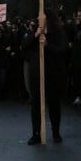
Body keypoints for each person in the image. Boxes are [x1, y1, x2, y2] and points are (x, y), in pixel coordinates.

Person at [24, 10, 69, 145]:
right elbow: (24, 47)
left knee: (54, 104)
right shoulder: (35, 32)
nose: (38, 17)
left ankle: (56, 132)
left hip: (53, 73)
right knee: (36, 104)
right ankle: (36, 133)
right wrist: (36, 35)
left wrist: (48, 46)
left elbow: (63, 50)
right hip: (37, 74)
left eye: (41, 15)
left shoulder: (58, 33)